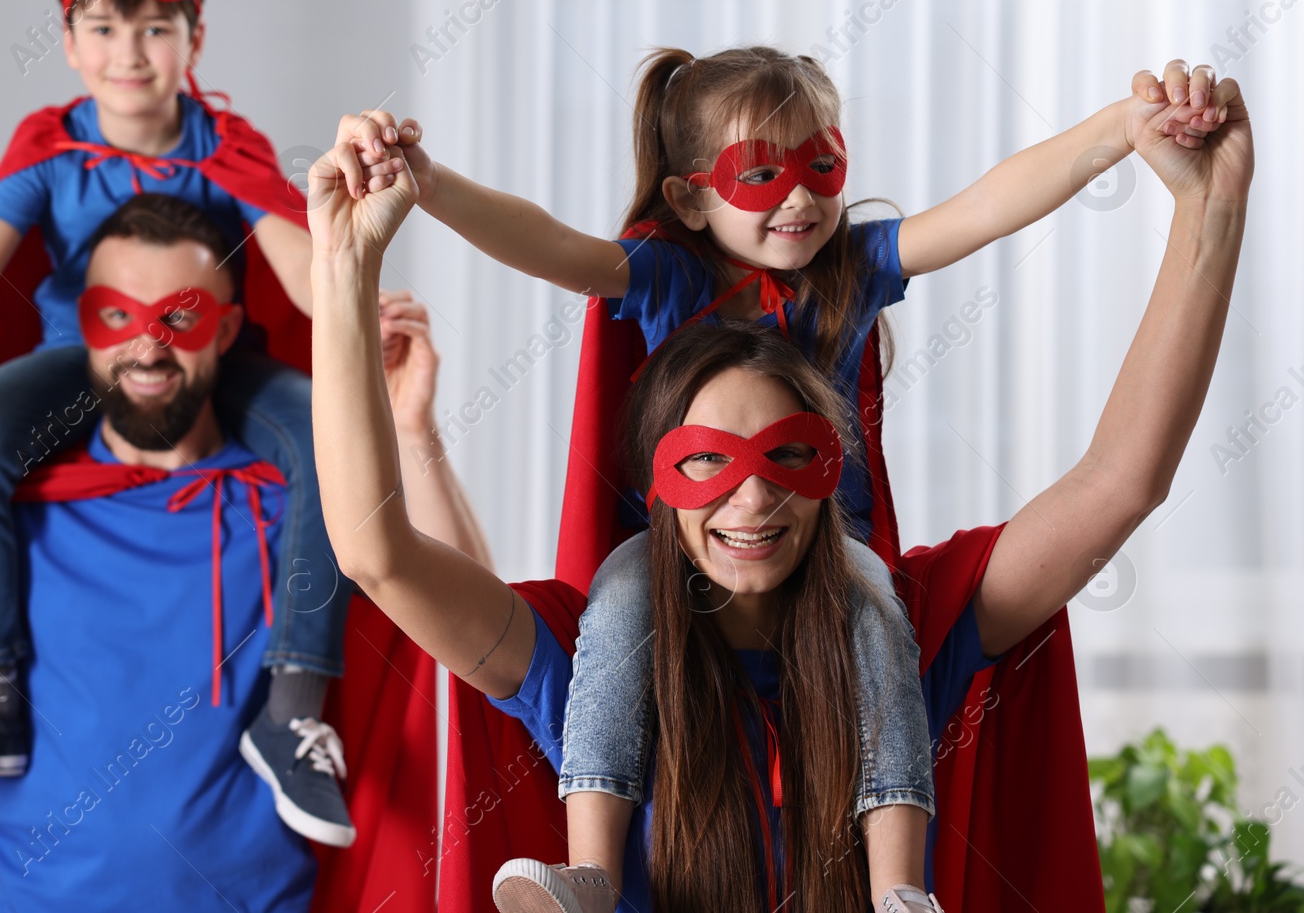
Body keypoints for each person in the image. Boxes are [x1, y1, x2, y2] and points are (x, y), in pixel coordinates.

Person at [305, 63, 1251, 911]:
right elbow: (373, 552)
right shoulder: (594, 661)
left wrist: (1206, 207)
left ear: (837, 459)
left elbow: (1121, 480)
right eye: (708, 460)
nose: (753, 498)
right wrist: (347, 266)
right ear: (655, 474)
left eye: (792, 456)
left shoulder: (910, 630)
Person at [0, 195, 488, 911]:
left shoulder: (297, 504)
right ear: (83, 328)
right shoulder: (6, 503)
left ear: (227, 328)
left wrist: (412, 430)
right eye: (117, 315)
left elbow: (478, 629)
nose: (148, 345)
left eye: (180, 316)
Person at [0, 0, 355, 846]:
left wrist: (356, 289)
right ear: (69, 39)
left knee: (332, 440)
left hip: (212, 361)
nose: (130, 53)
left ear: (195, 40)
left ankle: (291, 706)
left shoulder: (226, 142)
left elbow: (303, 271)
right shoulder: (49, 144)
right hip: (75, 358)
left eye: (157, 28)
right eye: (104, 28)